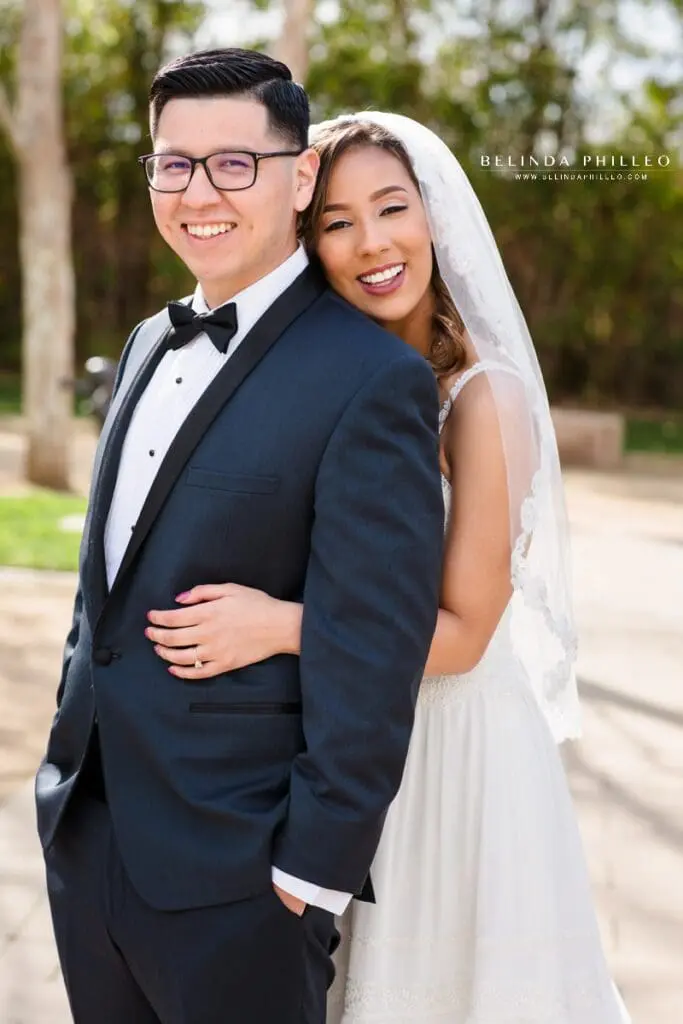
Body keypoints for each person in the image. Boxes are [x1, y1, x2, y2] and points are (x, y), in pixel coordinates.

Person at [148, 113, 632, 1024]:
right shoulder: (325, 380)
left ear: (434, 217)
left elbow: (464, 636)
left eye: (391, 207)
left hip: (452, 756)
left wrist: (278, 623)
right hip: (341, 738)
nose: (371, 242)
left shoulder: (483, 401)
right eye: (336, 221)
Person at [35, 56, 445, 1024]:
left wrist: (308, 872)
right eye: (173, 166)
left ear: (298, 178)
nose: (198, 193)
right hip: (88, 843)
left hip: (243, 876)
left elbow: (379, 643)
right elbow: (107, 588)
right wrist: (60, 793)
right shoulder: (143, 341)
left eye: (233, 164)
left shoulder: (369, 379)